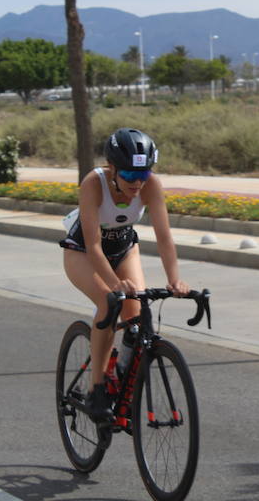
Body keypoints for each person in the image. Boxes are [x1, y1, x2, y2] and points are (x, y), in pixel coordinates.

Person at [60, 127, 189, 422]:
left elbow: (164, 237)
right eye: (130, 175)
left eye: (143, 174)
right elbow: (93, 246)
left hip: (124, 248)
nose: (137, 183)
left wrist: (174, 279)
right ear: (112, 168)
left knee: (137, 314)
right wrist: (115, 284)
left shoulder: (150, 185)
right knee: (109, 303)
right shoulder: (93, 184)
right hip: (83, 252)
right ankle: (96, 388)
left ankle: (122, 374)